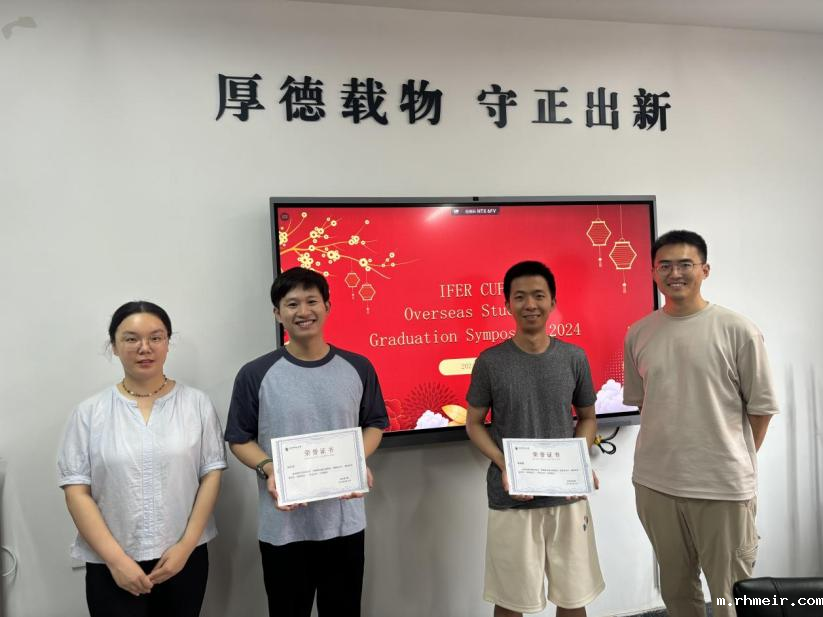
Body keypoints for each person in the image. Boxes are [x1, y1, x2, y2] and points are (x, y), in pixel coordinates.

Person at [624, 230, 779, 617]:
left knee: (730, 595)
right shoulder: (638, 333)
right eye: (665, 265)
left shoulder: (738, 330)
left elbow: (761, 409)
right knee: (677, 591)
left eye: (685, 264)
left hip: (722, 488)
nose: (674, 273)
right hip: (656, 484)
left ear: (705, 270)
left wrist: (731, 457)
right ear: (653, 272)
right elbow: (646, 403)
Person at [225, 267, 388, 617]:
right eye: (292, 304)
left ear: (327, 306)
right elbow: (239, 438)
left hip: (344, 524)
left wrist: (356, 459)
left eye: (312, 301)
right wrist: (270, 468)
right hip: (284, 527)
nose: (303, 311)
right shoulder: (255, 373)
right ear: (277, 313)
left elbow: (375, 424)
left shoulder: (358, 367)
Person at [58, 301, 227, 617]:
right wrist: (117, 561)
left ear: (167, 343)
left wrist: (185, 547)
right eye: (131, 338)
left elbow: (211, 476)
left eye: (155, 337)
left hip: (184, 559)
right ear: (114, 346)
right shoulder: (89, 413)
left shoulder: (197, 404)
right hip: (112, 565)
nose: (144, 348)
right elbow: (77, 491)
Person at [465, 261, 605, 617]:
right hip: (512, 498)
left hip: (567, 496)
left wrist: (580, 460)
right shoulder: (490, 361)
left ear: (552, 302)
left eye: (539, 296)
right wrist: (504, 465)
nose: (530, 304)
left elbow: (588, 418)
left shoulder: (574, 357)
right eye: (520, 297)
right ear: (507, 305)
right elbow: (474, 424)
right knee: (512, 601)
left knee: (573, 597)